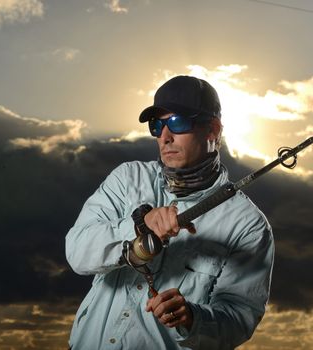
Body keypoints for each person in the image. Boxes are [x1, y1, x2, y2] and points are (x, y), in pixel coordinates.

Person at [66, 75, 274, 349]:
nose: (165, 137)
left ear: (213, 129)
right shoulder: (127, 179)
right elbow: (77, 252)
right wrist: (137, 227)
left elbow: (238, 319)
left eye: (177, 122)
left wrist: (192, 319)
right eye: (157, 125)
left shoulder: (249, 226)